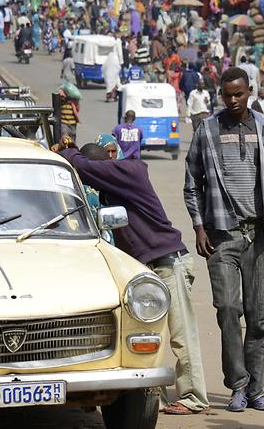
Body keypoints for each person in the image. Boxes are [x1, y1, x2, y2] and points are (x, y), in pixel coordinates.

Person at [54, 141, 210, 414]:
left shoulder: (130, 172)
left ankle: (193, 396)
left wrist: (64, 150)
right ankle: (154, 396)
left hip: (168, 261)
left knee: (181, 334)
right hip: (145, 267)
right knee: (147, 335)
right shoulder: (111, 186)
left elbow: (81, 165)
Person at [184, 67, 264, 413]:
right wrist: (199, 228)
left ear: (250, 92)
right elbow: (192, 183)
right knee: (228, 309)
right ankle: (238, 384)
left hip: (258, 236)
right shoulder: (207, 130)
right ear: (220, 95)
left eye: (239, 94)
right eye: (227, 95)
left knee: (260, 316)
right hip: (221, 236)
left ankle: (257, 388)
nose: (233, 101)